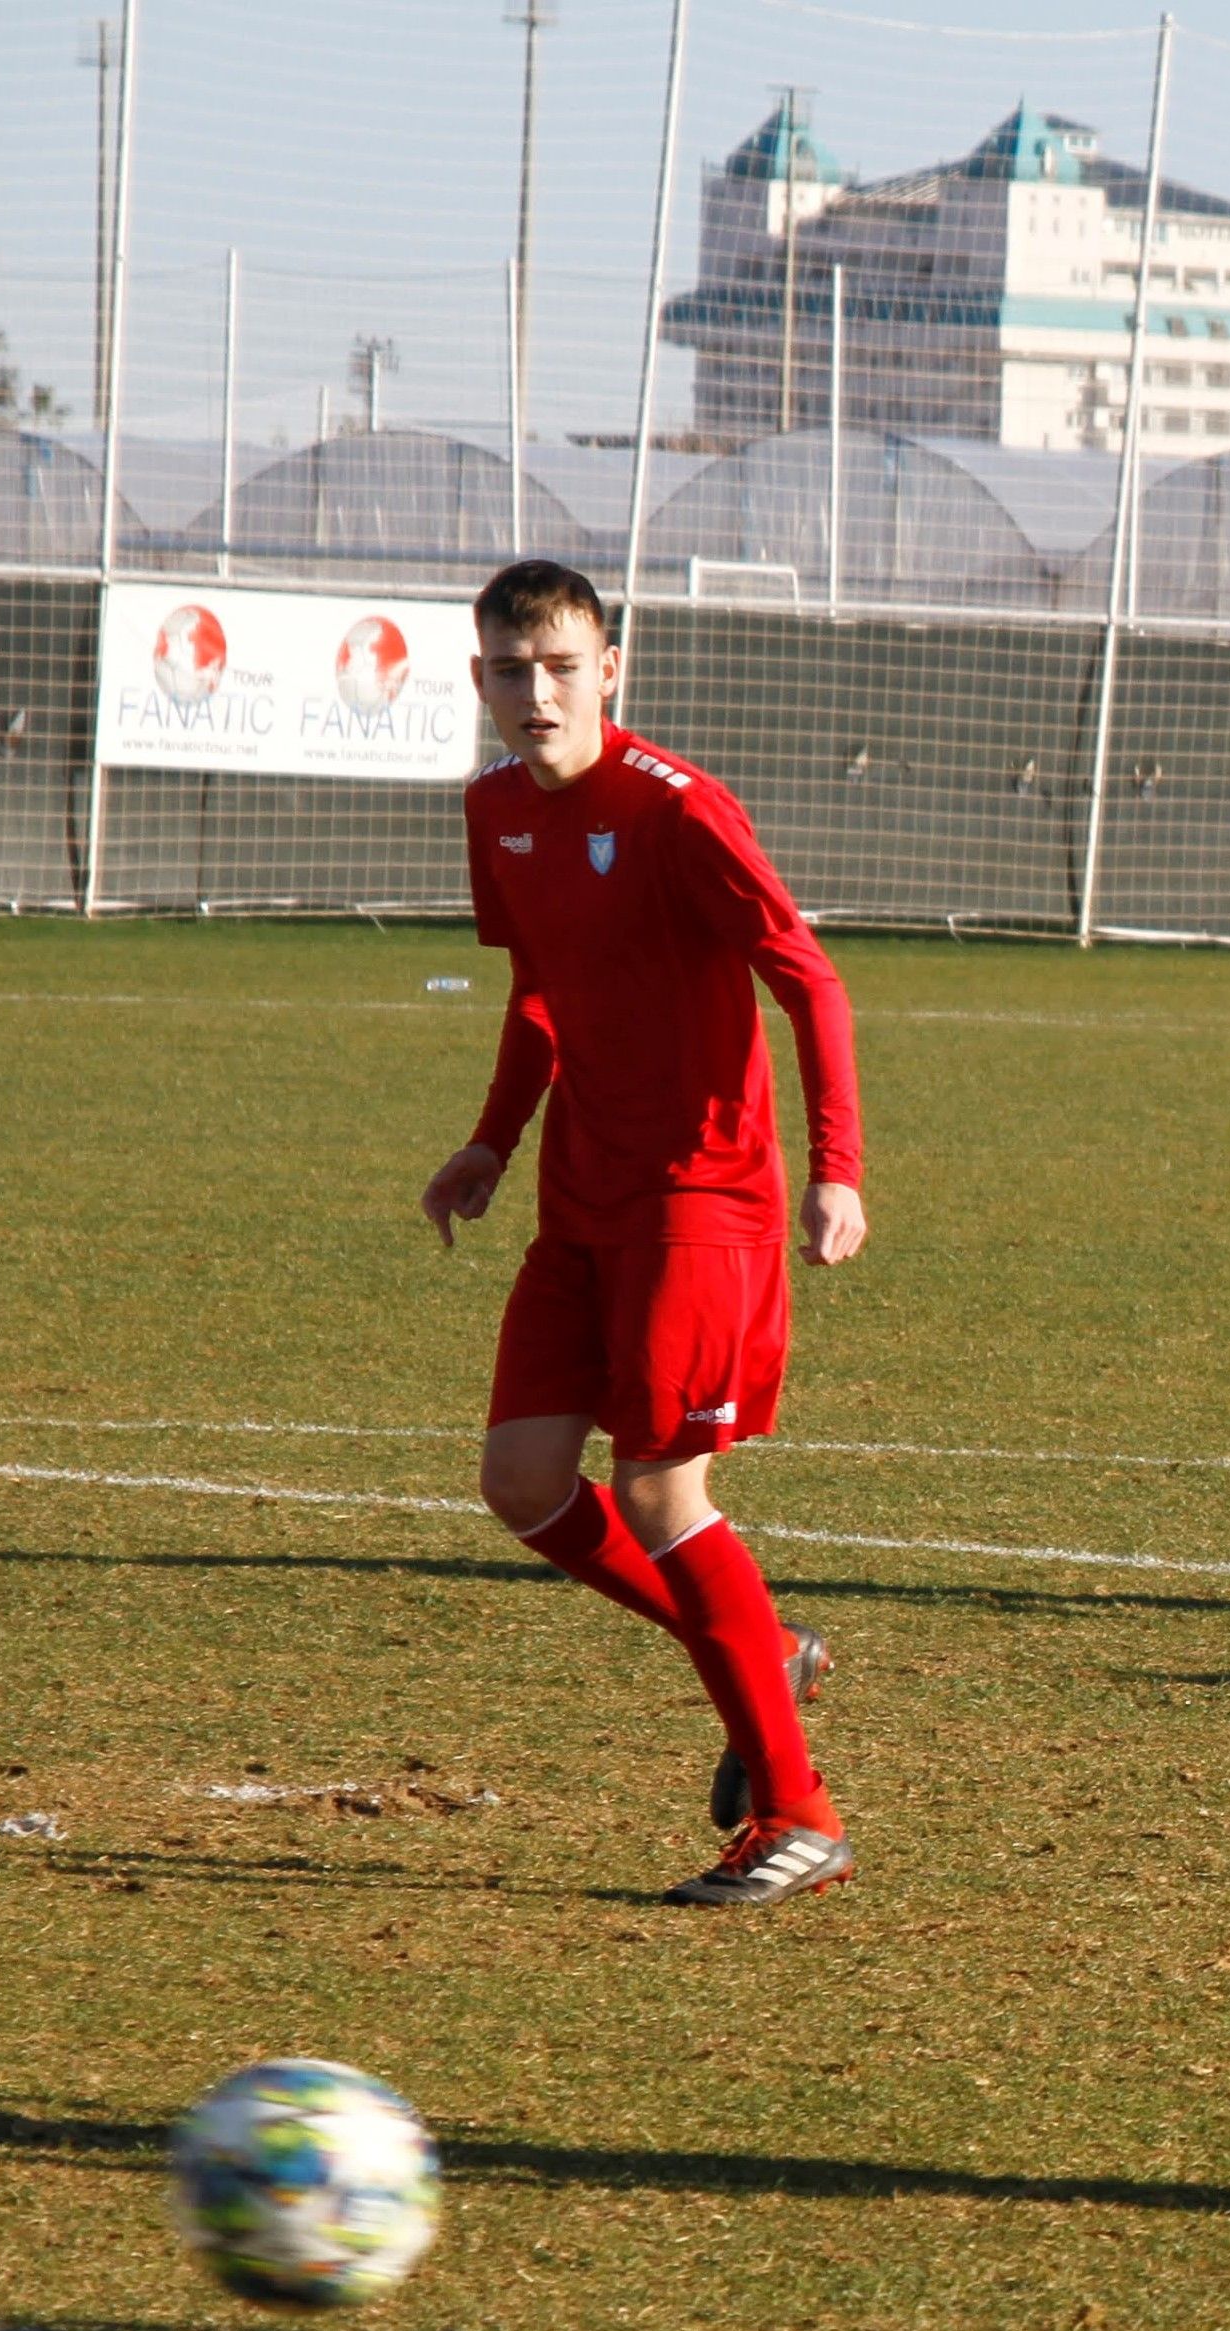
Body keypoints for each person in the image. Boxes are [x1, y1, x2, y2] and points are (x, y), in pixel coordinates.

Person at [421, 558, 866, 1906]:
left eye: (560, 666)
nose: (534, 693)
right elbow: (539, 991)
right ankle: (761, 1650)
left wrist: (835, 1170)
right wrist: (492, 1139)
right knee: (523, 1481)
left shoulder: (678, 812)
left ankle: (798, 1815)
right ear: (482, 678)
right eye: (509, 668)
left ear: (611, 668)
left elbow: (807, 974)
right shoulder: (494, 810)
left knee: (666, 1494)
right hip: (580, 1196)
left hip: (701, 1199)